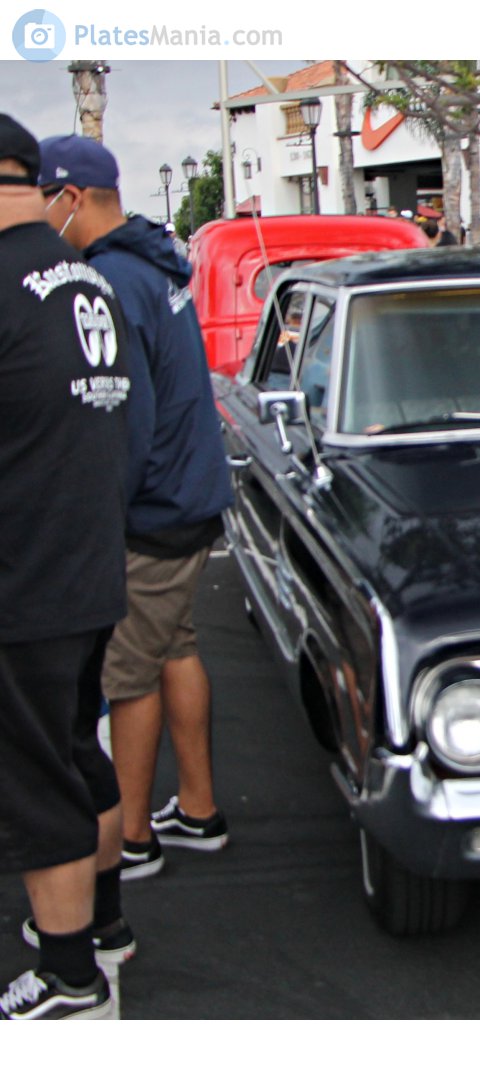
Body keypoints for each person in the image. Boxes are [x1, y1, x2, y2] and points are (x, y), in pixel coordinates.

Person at [39, 135, 233, 884]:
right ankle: (198, 807)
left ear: (71, 198)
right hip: (190, 492)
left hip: (153, 508)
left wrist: (95, 516)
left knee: (127, 676)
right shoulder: (157, 262)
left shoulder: (110, 282)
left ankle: (130, 839)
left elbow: (127, 416)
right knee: (174, 646)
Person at [0, 114, 140, 1020]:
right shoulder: (85, 277)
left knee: (32, 779)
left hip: (21, 575)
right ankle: (106, 929)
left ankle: (68, 980)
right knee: (78, 759)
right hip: (87, 564)